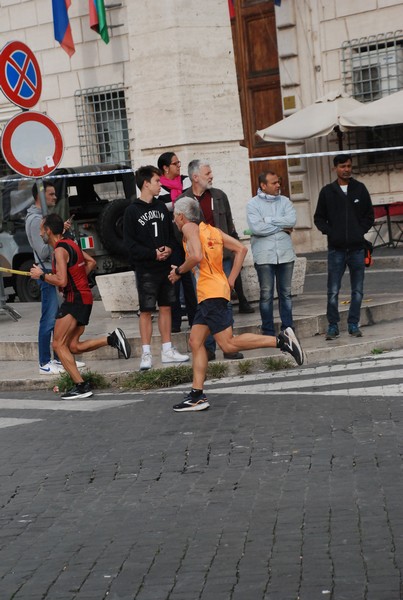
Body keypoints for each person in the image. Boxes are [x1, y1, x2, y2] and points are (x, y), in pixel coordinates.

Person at [168, 197, 304, 412]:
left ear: (182, 216)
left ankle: (281, 341)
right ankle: (197, 395)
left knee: (228, 344)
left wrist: (178, 271)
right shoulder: (211, 230)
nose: (174, 220)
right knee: (195, 341)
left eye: (175, 216)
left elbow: (195, 256)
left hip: (211, 294)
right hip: (213, 293)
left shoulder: (189, 228)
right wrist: (229, 280)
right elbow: (241, 249)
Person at [30, 213, 131, 400]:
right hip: (83, 298)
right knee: (73, 346)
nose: (39, 233)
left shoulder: (60, 250)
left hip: (74, 300)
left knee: (58, 344)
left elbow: (61, 279)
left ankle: (81, 386)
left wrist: (41, 275)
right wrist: (77, 280)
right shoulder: (72, 244)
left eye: (41, 229)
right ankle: (112, 339)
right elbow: (91, 262)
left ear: (49, 231)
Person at [178, 159, 254, 361]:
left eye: (211, 172)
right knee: (203, 302)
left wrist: (233, 249)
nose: (211, 176)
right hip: (200, 263)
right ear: (195, 177)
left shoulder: (219, 196)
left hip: (222, 254)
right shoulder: (183, 201)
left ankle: (228, 346)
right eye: (207, 173)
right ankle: (209, 348)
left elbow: (229, 225)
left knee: (224, 301)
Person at [123, 165, 189, 370]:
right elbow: (129, 244)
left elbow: (171, 234)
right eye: (157, 181)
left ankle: (167, 349)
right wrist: (152, 253)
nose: (160, 185)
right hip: (145, 269)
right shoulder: (131, 211)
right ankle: (146, 353)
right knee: (146, 310)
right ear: (146, 184)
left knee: (167, 306)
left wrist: (169, 248)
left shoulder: (161, 207)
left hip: (165, 266)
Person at [25, 181, 85, 375]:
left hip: (55, 272)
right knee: (49, 319)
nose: (54, 197)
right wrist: (55, 238)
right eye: (50, 194)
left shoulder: (43, 218)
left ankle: (59, 359)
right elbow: (42, 251)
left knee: (59, 318)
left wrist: (58, 233)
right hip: (47, 274)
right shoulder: (35, 221)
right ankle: (44, 362)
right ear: (39, 196)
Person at [314, 154, 374, 340]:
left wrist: (358, 231)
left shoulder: (360, 189)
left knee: (357, 290)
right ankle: (332, 326)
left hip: (357, 249)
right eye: (342, 166)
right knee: (333, 290)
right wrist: (331, 232)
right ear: (335, 168)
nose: (346, 169)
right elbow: (319, 218)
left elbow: (369, 215)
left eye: (349, 165)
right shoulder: (327, 191)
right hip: (336, 249)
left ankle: (353, 324)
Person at [246, 171, 297, 336]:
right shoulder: (253, 204)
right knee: (266, 294)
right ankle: (268, 331)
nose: (278, 185)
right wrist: (281, 226)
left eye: (278, 182)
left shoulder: (285, 201)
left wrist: (267, 220)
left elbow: (291, 221)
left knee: (286, 294)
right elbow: (257, 229)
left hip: (285, 253)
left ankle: (288, 329)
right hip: (264, 255)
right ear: (263, 185)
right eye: (274, 183)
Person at [157, 151, 197, 333]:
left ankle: (194, 317)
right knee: (174, 279)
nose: (179, 165)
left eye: (179, 162)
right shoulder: (159, 186)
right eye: (175, 163)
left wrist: (175, 207)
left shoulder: (185, 180)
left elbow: (190, 202)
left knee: (188, 279)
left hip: (187, 236)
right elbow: (164, 209)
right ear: (165, 168)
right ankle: (175, 323)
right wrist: (178, 206)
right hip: (171, 239)